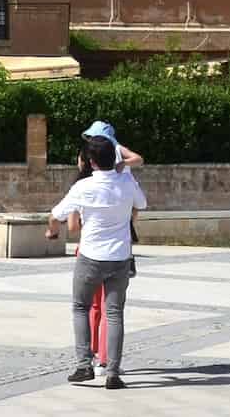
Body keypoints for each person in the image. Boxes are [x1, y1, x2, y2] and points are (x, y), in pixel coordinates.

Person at [47, 135, 147, 390]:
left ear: (90, 162)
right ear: (114, 158)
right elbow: (142, 204)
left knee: (80, 307)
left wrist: (52, 232)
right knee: (114, 313)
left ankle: (84, 366)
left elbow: (56, 215)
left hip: (90, 256)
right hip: (120, 257)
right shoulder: (126, 181)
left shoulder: (83, 187)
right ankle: (112, 372)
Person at [74, 125, 144, 375]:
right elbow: (138, 207)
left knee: (88, 307)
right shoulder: (124, 176)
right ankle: (108, 364)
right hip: (118, 252)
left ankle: (89, 360)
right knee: (111, 311)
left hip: (90, 249)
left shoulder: (87, 175)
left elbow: (69, 219)